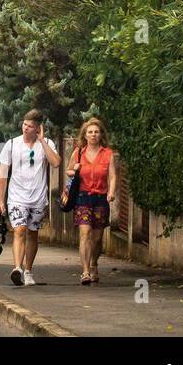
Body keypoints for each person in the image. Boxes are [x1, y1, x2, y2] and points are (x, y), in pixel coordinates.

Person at [0, 109, 61, 286]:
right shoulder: (11, 144)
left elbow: (56, 163)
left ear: (38, 128)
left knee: (33, 234)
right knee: (19, 230)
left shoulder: (46, 143)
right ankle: (17, 268)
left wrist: (42, 141)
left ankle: (28, 271)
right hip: (17, 197)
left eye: (30, 126)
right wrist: (1, 200)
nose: (25, 128)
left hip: (38, 198)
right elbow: (3, 175)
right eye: (24, 124)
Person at [69, 117, 116, 284]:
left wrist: (111, 192)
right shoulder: (78, 153)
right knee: (85, 234)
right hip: (83, 197)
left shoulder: (108, 154)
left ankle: (94, 263)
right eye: (90, 132)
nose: (93, 135)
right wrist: (74, 169)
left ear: (101, 134)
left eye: (96, 132)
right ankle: (85, 272)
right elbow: (68, 171)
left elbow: (112, 175)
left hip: (101, 198)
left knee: (97, 238)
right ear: (85, 135)